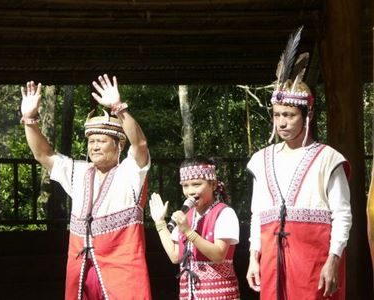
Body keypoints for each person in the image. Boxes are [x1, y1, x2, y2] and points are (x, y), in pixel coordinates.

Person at [20, 74, 152, 300]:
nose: (95, 147)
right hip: (82, 272)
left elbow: (139, 143)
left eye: (101, 141)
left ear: (119, 144)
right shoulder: (78, 172)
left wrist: (118, 108)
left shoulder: (130, 172)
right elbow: (43, 154)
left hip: (122, 273)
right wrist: (29, 118)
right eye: (91, 141)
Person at [245, 28, 352, 300]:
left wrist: (334, 259)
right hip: (272, 257)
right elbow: (257, 214)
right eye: (277, 115)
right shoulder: (261, 159)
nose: (281, 122)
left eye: (289, 115)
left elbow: (342, 214)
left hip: (314, 258)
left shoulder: (329, 158)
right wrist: (253, 256)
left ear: (307, 115)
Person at [149, 156, 241, 299]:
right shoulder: (187, 215)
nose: (190, 191)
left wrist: (188, 231)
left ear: (214, 185)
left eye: (197, 184)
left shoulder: (224, 213)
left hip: (220, 295)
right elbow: (175, 256)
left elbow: (218, 255)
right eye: (185, 186)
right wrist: (160, 223)